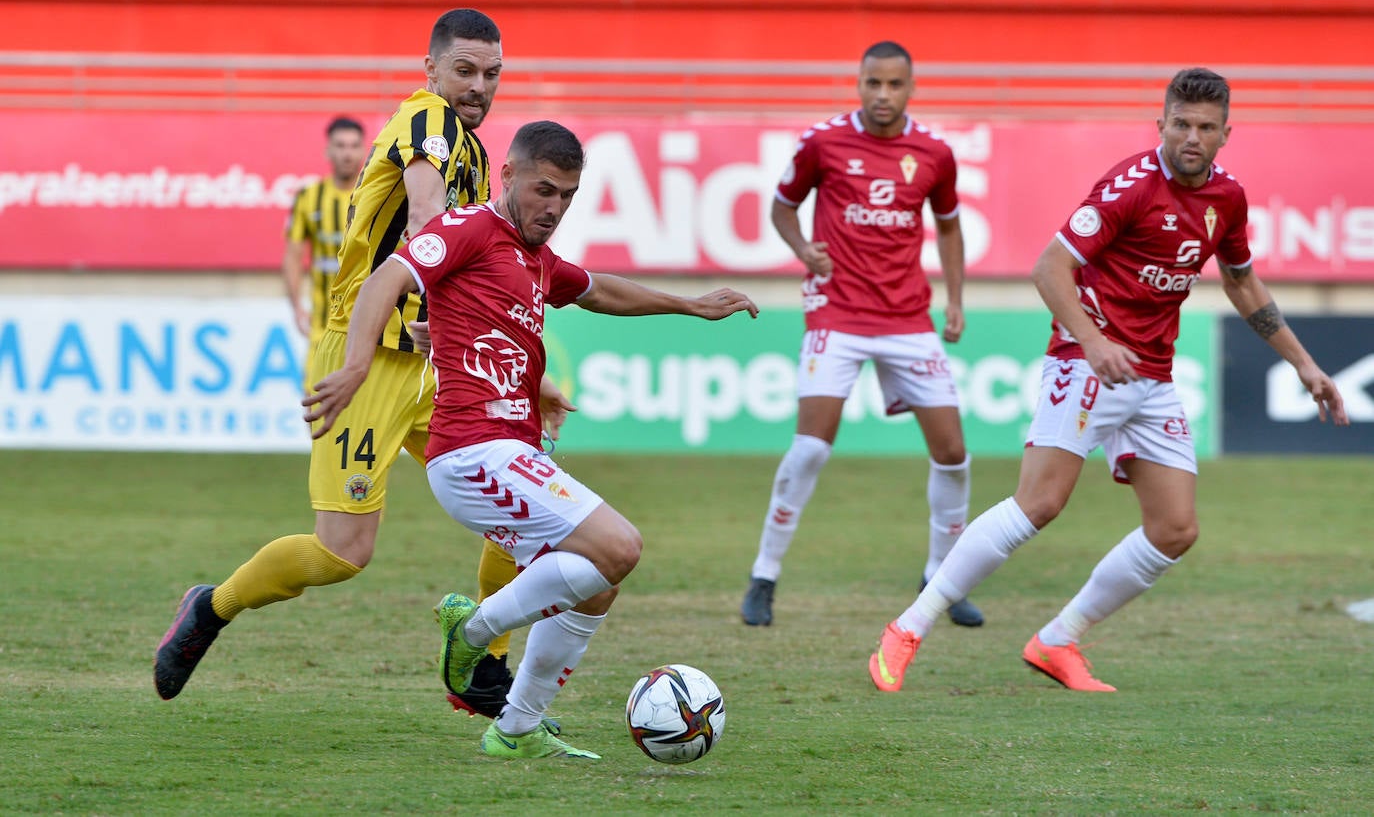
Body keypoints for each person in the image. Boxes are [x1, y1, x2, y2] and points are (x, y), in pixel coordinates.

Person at [868, 67, 1350, 694]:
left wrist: (1304, 363)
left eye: (1205, 128)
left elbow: (1240, 279)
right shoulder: (1130, 188)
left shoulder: (1227, 198)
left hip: (1150, 376)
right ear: (1161, 124)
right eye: (1181, 124)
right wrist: (1093, 343)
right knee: (1039, 503)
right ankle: (907, 627)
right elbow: (1050, 270)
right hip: (1084, 359)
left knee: (1175, 530)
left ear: (1227, 133)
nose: (1191, 138)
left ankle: (1057, 641)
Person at [303, 120, 758, 759]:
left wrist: (690, 305)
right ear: (508, 175)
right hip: (469, 450)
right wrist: (354, 365)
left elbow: (601, 291)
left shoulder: (536, 259)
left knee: (598, 581)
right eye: (545, 190)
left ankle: (516, 729)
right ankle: (474, 628)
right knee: (621, 545)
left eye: (568, 196)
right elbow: (385, 280)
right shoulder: (466, 231)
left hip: (512, 449)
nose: (555, 208)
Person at [155, 9, 549, 718]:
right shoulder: (427, 121)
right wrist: (432, 310)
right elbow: (427, 216)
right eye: (464, 71)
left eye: (491, 74)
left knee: (522, 508)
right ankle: (211, 608)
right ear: (431, 70)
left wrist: (520, 363)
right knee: (342, 553)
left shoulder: (481, 156)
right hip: (365, 355)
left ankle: (483, 665)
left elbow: (486, 263)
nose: (478, 86)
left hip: (435, 362)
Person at [740, 40, 982, 629]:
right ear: (859, 82)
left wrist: (954, 299)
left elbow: (949, 229)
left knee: (953, 454)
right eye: (873, 83)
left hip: (907, 319)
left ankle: (941, 578)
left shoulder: (934, 153)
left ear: (911, 87)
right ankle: (763, 576)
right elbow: (780, 206)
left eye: (894, 85)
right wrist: (803, 250)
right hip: (838, 313)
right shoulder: (823, 142)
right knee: (812, 446)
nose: (882, 96)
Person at [282, 115, 366, 380]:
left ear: (364, 150)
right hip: (323, 323)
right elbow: (293, 257)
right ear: (328, 151)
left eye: (353, 146)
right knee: (315, 404)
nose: (347, 153)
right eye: (340, 146)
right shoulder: (309, 197)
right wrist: (296, 305)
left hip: (368, 323)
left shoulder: (374, 197)